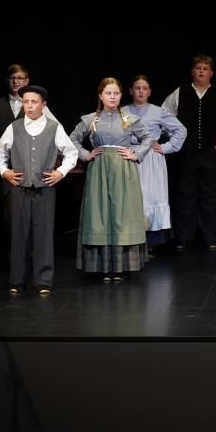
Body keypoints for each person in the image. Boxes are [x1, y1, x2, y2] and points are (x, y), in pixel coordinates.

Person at [0, 85, 78, 295]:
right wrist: (5, 172)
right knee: (19, 233)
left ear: (43, 104)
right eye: (26, 102)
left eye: (34, 102)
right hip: (20, 188)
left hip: (45, 188)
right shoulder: (14, 127)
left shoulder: (53, 127)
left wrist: (60, 172)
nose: (29, 106)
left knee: (44, 234)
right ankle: (17, 278)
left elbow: (71, 153)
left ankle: (43, 279)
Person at [70, 78, 153, 281]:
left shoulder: (130, 119)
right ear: (101, 95)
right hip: (99, 170)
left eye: (116, 93)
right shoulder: (91, 119)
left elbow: (148, 138)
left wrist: (135, 153)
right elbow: (72, 139)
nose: (113, 97)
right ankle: (104, 266)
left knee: (122, 214)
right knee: (100, 214)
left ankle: (123, 266)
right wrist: (85, 154)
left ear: (121, 95)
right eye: (108, 93)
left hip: (123, 170)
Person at [162, 55, 216, 251]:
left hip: (211, 153)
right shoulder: (180, 92)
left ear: (211, 73)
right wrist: (175, 137)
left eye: (205, 69)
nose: (201, 71)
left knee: (210, 196)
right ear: (192, 71)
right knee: (185, 196)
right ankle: (183, 238)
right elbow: (165, 115)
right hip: (186, 153)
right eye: (198, 68)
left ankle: (210, 237)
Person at [0, 64, 57, 241]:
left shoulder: (36, 102)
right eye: (12, 78)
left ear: (27, 81)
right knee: (9, 207)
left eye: (20, 78)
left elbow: (55, 127)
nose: (16, 81)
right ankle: (13, 248)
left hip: (33, 163)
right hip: (9, 166)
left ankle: (33, 246)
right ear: (7, 80)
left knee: (33, 206)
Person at [124, 75, 187, 250]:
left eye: (144, 88)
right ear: (131, 91)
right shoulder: (122, 111)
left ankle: (150, 241)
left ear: (149, 92)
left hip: (151, 158)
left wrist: (166, 147)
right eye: (137, 88)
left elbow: (181, 130)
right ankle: (130, 238)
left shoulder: (158, 112)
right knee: (130, 196)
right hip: (129, 155)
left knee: (150, 196)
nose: (141, 91)